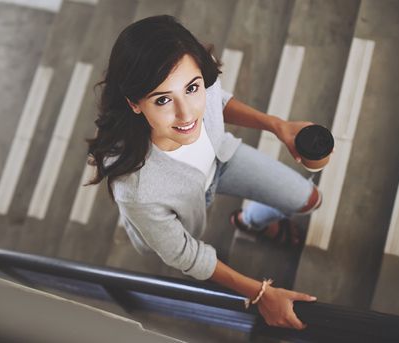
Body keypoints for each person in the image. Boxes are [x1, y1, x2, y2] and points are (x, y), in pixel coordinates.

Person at [86, 15, 323, 330]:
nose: (188, 114)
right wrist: (261, 292)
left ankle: (249, 221)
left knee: (309, 200)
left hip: (220, 159)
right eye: (162, 99)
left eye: (192, 88)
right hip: (180, 203)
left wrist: (276, 126)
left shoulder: (194, 69)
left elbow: (216, 101)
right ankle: (250, 222)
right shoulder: (137, 191)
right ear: (135, 104)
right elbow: (186, 255)